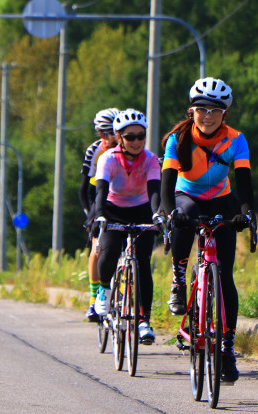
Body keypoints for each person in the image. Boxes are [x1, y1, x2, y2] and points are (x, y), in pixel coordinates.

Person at [160, 77, 256, 382]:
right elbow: (167, 181)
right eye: (202, 109)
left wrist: (246, 214)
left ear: (224, 114)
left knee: (225, 275)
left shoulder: (236, 139)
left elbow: (244, 182)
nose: (208, 115)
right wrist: (168, 211)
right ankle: (179, 277)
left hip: (220, 199)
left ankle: (227, 350)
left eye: (216, 110)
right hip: (186, 195)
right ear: (192, 111)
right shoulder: (178, 138)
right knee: (184, 216)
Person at [92, 108, 161, 345]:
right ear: (119, 137)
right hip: (113, 208)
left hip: (142, 208)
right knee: (110, 249)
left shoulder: (151, 160)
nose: (136, 141)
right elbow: (100, 191)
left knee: (142, 264)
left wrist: (156, 216)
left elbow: (154, 192)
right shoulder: (108, 158)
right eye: (130, 137)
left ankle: (144, 321)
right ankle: (103, 290)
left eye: (140, 136)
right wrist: (99, 215)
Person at [80, 108, 120, 322]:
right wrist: (90, 216)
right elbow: (84, 189)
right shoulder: (95, 150)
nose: (109, 138)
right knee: (97, 247)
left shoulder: (131, 146)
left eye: (112, 132)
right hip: (99, 194)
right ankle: (94, 299)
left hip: (125, 195)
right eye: (103, 133)